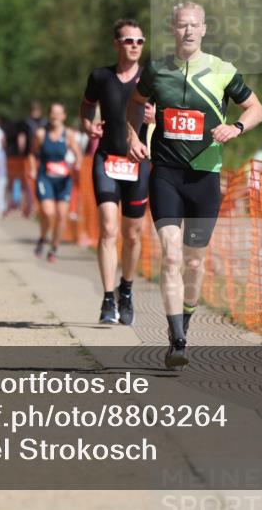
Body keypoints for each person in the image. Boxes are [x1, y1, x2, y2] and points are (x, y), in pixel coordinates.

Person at [125, 1, 262, 368]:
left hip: (204, 176)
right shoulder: (157, 69)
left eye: (194, 25)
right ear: (173, 29)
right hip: (166, 175)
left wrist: (236, 128)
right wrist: (133, 136)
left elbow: (257, 109)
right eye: (182, 25)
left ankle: (185, 318)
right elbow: (135, 102)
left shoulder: (222, 71)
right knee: (171, 255)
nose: (188, 31)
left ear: (203, 30)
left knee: (193, 261)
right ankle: (177, 340)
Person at [80, 18, 155, 326]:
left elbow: (169, 114)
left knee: (133, 234)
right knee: (109, 229)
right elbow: (87, 105)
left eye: (139, 41)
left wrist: (156, 115)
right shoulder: (100, 76)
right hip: (107, 160)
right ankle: (108, 298)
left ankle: (126, 290)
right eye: (128, 41)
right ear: (116, 44)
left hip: (138, 164)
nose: (135, 46)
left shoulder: (151, 79)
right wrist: (88, 124)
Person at [31, 102, 82, 263]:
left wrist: (77, 164)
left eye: (59, 113)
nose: (55, 116)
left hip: (63, 179)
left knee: (61, 216)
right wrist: (32, 168)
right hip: (45, 177)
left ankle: (53, 248)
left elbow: (78, 153)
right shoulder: (41, 134)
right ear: (49, 115)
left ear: (64, 116)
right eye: (53, 113)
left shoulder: (68, 134)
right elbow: (32, 153)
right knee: (48, 212)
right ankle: (42, 237)